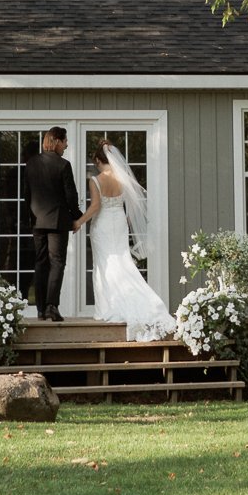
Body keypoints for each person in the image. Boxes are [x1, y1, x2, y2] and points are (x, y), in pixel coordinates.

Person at [78, 139, 175, 341]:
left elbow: (95, 207)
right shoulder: (122, 179)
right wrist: (126, 223)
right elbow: (130, 209)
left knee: (105, 263)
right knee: (122, 262)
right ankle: (145, 303)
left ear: (97, 159)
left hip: (103, 223)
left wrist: (79, 222)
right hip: (119, 222)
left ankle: (108, 308)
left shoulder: (95, 180)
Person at [23, 126, 81, 323]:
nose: (66, 145)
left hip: (37, 221)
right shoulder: (63, 165)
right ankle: (51, 306)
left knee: (41, 263)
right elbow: (71, 195)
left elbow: (27, 195)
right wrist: (77, 216)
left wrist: (29, 219)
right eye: (65, 141)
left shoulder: (31, 163)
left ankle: (40, 309)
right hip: (57, 221)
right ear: (56, 141)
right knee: (56, 262)